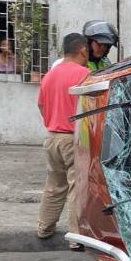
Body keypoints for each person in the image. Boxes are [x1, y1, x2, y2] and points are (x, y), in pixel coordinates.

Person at [36, 33, 90, 249]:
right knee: (76, 188)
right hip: (73, 139)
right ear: (83, 49)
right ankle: (76, 238)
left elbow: (41, 105)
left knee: (54, 186)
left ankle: (44, 228)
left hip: (52, 138)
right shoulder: (85, 75)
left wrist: (52, 120)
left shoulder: (50, 75)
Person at [53, 20, 119, 72]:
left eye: (106, 45)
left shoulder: (106, 63)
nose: (103, 48)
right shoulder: (76, 62)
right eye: (99, 44)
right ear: (89, 42)